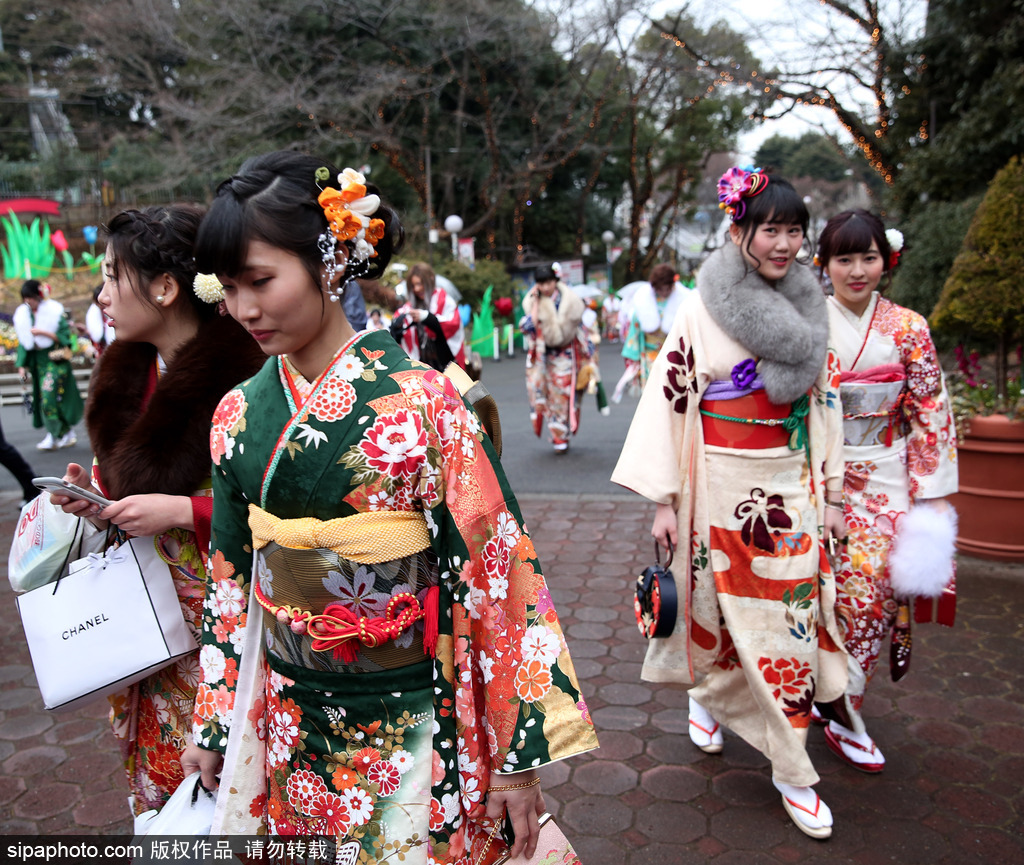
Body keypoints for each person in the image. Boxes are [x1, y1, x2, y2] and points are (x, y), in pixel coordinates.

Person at [179, 152, 597, 860]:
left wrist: (518, 756)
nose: (244, 309)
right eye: (230, 287)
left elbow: (497, 576)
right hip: (291, 713)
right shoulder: (236, 415)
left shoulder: (424, 402)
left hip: (413, 710)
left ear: (331, 265)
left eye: (261, 281)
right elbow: (229, 579)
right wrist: (215, 721)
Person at [612, 167, 848, 840]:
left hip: (791, 483)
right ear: (739, 230)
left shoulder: (811, 306)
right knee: (715, 612)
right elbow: (671, 398)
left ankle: (789, 764)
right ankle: (714, 703)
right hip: (716, 480)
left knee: (789, 626)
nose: (784, 243)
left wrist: (829, 490)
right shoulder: (699, 307)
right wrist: (663, 498)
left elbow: (823, 403)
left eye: (794, 229)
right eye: (770, 228)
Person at [48, 205, 266, 819]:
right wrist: (94, 504)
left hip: (223, 629)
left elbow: (288, 509)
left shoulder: (248, 378)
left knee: (226, 798)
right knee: (166, 796)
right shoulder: (128, 369)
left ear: (167, 288)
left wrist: (180, 508)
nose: (103, 293)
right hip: (143, 621)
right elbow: (126, 483)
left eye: (115, 276)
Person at [815, 209, 958, 773]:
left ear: (886, 260)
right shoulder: (807, 322)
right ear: (824, 264)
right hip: (815, 475)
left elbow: (929, 411)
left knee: (872, 596)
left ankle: (846, 708)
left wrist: (930, 492)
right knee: (805, 590)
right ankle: (793, 695)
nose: (856, 270)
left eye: (867, 257)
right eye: (843, 258)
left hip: (884, 477)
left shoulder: (908, 327)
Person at [520, 264, 586, 453]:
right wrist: (534, 305)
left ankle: (561, 435)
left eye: (548, 282)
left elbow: (580, 327)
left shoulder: (569, 299)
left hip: (565, 353)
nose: (546, 287)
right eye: (541, 283)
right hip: (543, 355)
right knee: (546, 395)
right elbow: (527, 326)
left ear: (555, 281)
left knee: (562, 394)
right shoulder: (534, 301)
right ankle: (558, 435)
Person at [14, 280, 84, 450]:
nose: (28, 301)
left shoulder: (53, 312)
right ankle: (62, 433)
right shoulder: (24, 315)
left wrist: (44, 332)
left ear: (38, 296)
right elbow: (24, 342)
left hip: (55, 360)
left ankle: (56, 434)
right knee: (45, 398)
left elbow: (64, 336)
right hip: (38, 362)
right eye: (26, 298)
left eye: (30, 297)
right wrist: (21, 366)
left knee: (48, 396)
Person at [612, 263, 687, 402]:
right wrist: (634, 360)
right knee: (652, 397)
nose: (664, 292)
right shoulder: (644, 302)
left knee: (674, 396)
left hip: (674, 355)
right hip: (649, 356)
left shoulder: (682, 301)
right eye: (660, 289)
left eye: (667, 288)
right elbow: (635, 329)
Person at [393, 262, 466, 369]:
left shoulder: (444, 300)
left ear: (430, 280)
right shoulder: (408, 308)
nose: (417, 289)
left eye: (420, 284)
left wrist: (427, 318)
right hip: (421, 365)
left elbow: (452, 324)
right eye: (413, 285)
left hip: (443, 363)